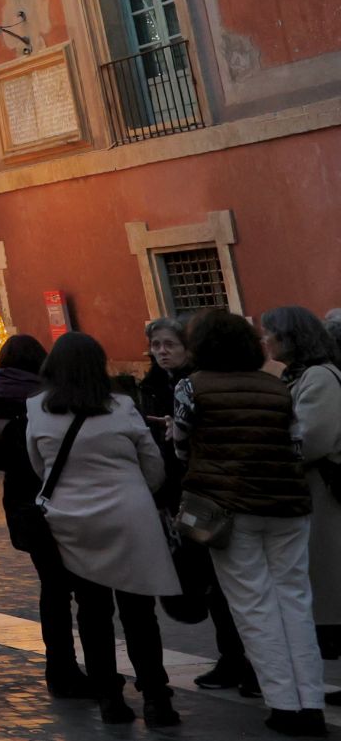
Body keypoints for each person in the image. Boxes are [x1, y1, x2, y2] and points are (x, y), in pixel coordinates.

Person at [175, 309, 325, 736]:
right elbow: (296, 444)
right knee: (295, 601)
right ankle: (311, 702)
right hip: (287, 505)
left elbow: (182, 446)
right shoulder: (276, 386)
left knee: (253, 605)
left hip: (229, 508)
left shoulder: (192, 387)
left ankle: (284, 705)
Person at [25, 332, 180, 727]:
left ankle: (109, 698)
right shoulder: (122, 407)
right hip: (129, 517)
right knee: (139, 613)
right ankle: (156, 697)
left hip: (72, 521)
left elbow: (39, 467)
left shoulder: (37, 409)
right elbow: (153, 466)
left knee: (92, 612)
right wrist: (136, 491)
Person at [139, 317, 256, 697]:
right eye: (156, 345)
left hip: (206, 495)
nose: (162, 351)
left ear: (189, 349)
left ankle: (241, 659)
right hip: (176, 497)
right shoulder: (150, 386)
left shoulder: (197, 385)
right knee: (204, 578)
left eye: (169, 344)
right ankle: (233, 655)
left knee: (223, 580)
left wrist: (178, 432)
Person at [0, 334, 88, 698]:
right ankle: (88, 670)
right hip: (64, 500)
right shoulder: (50, 401)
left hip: (25, 502)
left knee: (52, 589)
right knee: (85, 590)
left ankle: (60, 669)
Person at [260, 306, 341, 652]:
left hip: (324, 493)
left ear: (290, 337)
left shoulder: (319, 376)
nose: (265, 340)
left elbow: (311, 439)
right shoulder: (296, 376)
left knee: (331, 580)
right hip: (310, 495)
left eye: (269, 333)